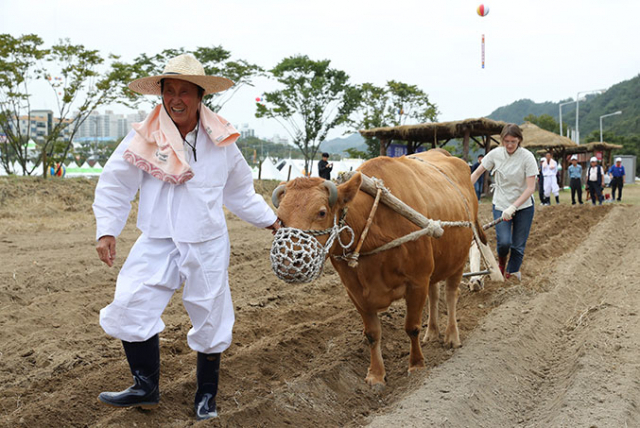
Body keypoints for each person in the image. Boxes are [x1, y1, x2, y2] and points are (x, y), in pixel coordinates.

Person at [92, 54, 280, 421]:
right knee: (131, 302)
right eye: (169, 91)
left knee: (210, 317)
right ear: (160, 94)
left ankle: (206, 395)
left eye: (184, 92)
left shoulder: (221, 140)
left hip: (207, 241)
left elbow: (240, 192)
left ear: (199, 96)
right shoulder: (144, 137)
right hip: (157, 238)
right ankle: (145, 387)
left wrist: (272, 221)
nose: (176, 99)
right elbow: (115, 184)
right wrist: (107, 230)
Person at [470, 123, 538, 281]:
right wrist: (464, 189)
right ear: (502, 140)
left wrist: (514, 207)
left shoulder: (527, 157)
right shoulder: (495, 154)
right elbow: (477, 173)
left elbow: (530, 188)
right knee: (504, 242)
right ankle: (501, 263)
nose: (509, 145)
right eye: (506, 141)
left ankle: (511, 274)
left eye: (513, 141)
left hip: (523, 206)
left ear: (519, 140)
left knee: (518, 246)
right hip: (501, 204)